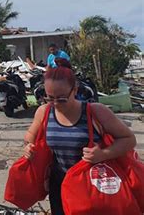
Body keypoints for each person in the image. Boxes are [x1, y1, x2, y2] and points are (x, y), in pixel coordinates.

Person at [23, 59, 136, 215]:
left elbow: (128, 139)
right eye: (49, 97)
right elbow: (30, 135)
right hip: (60, 184)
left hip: (92, 184)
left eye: (62, 99)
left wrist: (103, 154)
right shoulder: (44, 112)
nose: (55, 103)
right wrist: (29, 146)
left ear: (75, 90)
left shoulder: (95, 112)